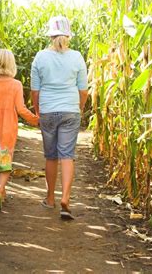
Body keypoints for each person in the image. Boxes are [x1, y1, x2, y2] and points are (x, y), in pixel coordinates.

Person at [31, 15, 88, 220]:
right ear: (68, 35)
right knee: (67, 155)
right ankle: (65, 199)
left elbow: (35, 91)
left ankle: (50, 198)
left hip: (47, 110)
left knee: (51, 156)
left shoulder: (40, 57)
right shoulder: (77, 57)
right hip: (70, 110)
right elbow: (83, 90)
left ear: (50, 35)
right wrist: (78, 107)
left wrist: (38, 110)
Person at [0, 49, 39, 212]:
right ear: (12, 65)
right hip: (8, 127)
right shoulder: (16, 85)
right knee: (5, 161)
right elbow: (20, 108)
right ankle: (0, 188)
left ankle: (1, 190)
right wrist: (35, 119)